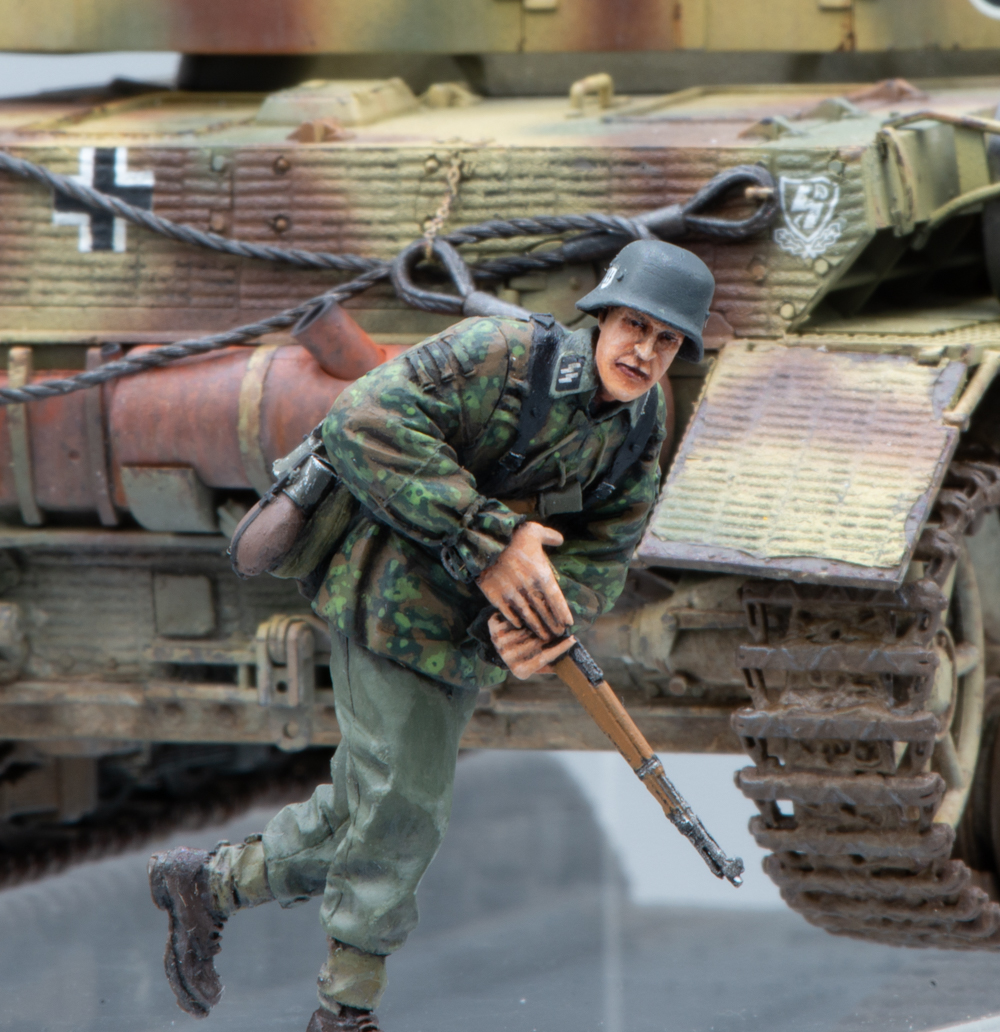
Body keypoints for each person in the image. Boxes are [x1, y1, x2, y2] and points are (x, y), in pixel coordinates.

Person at [147, 239, 715, 1032]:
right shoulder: (502, 354)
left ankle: (208, 885)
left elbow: (608, 548)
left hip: (466, 634)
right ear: (602, 316)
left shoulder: (638, 425)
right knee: (405, 810)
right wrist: (493, 539)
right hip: (388, 595)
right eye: (635, 327)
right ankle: (345, 1008)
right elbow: (364, 418)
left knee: (369, 807)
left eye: (668, 341)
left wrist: (549, 622)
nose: (645, 353)